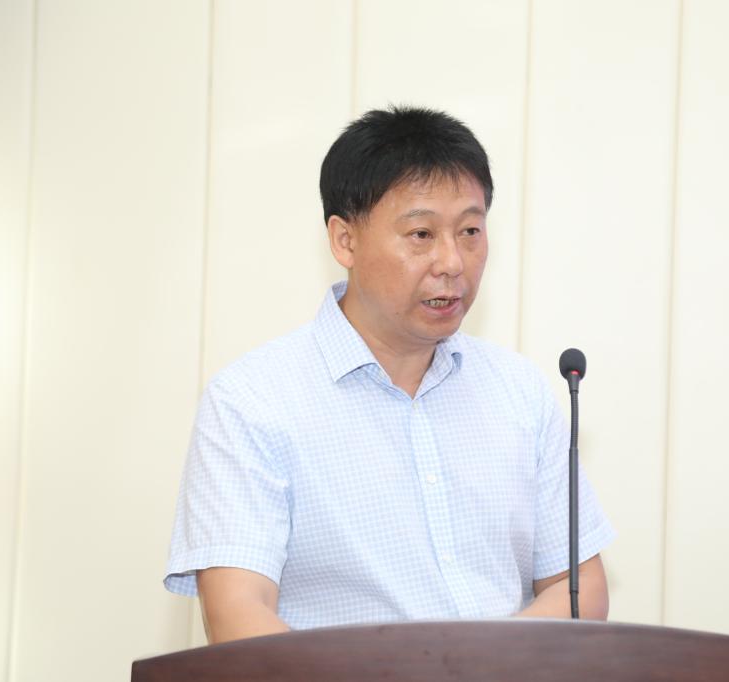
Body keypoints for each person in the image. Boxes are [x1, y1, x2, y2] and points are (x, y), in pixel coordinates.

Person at [164, 106, 615, 644]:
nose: (452, 261)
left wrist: (478, 666)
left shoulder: (520, 392)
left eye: (470, 231)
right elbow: (238, 616)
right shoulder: (251, 401)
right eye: (421, 233)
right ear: (345, 240)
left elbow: (579, 586)